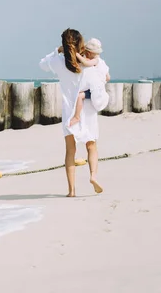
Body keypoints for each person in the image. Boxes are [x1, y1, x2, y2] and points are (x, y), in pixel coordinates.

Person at [39, 29, 104, 197]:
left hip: (70, 112)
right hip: (87, 109)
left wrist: (57, 50)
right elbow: (101, 78)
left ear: (64, 44)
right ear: (80, 43)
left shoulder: (59, 62)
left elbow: (42, 64)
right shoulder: (88, 62)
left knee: (70, 151)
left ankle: (72, 191)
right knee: (91, 146)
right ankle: (93, 176)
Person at [68, 38, 110, 127]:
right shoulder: (103, 63)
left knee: (79, 96)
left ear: (90, 53)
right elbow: (108, 77)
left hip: (95, 92)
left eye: (86, 53)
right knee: (80, 96)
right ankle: (77, 116)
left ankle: (76, 116)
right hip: (99, 90)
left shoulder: (96, 60)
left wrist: (76, 54)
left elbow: (85, 63)